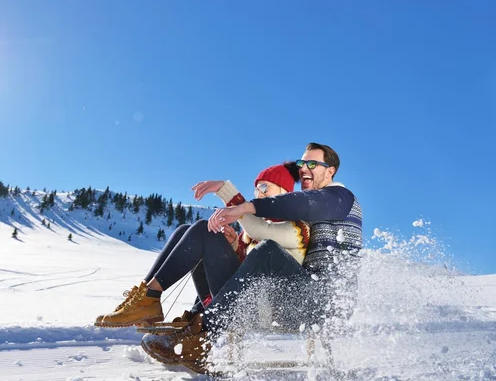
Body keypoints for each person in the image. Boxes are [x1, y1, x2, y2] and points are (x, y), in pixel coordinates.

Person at [141, 142, 363, 374]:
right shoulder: (317, 207)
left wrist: (244, 207)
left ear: (330, 171)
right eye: (301, 163)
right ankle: (152, 303)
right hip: (291, 296)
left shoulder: (340, 197)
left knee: (268, 250)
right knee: (205, 233)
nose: (304, 169)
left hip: (323, 304)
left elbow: (299, 204)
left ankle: (201, 336)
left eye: (312, 164)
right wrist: (235, 243)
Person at [93, 163, 310, 331]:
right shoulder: (251, 231)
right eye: (256, 189)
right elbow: (247, 267)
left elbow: (261, 234)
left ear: (284, 192)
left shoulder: (296, 228)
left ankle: (150, 297)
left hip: (258, 311)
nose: (258, 193)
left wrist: (226, 191)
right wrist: (234, 245)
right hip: (235, 298)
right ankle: (146, 295)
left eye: (264, 187)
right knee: (185, 230)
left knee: (202, 229)